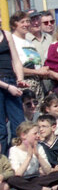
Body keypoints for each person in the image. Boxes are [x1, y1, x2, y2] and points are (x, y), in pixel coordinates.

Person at [7, 121, 58, 190]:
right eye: (35, 133)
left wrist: (38, 156)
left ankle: (28, 189)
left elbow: (48, 171)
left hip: (36, 179)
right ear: (23, 135)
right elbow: (18, 174)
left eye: (39, 133)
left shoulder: (39, 147)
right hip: (22, 179)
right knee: (12, 180)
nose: (38, 136)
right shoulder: (14, 150)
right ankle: (44, 189)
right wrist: (29, 157)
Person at [0, 23, 28, 156]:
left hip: (11, 80)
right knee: (1, 129)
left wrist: (20, 79)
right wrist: (7, 87)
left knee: (19, 124)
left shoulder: (6, 35)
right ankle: (3, 162)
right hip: (3, 85)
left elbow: (16, 60)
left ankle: (18, 158)